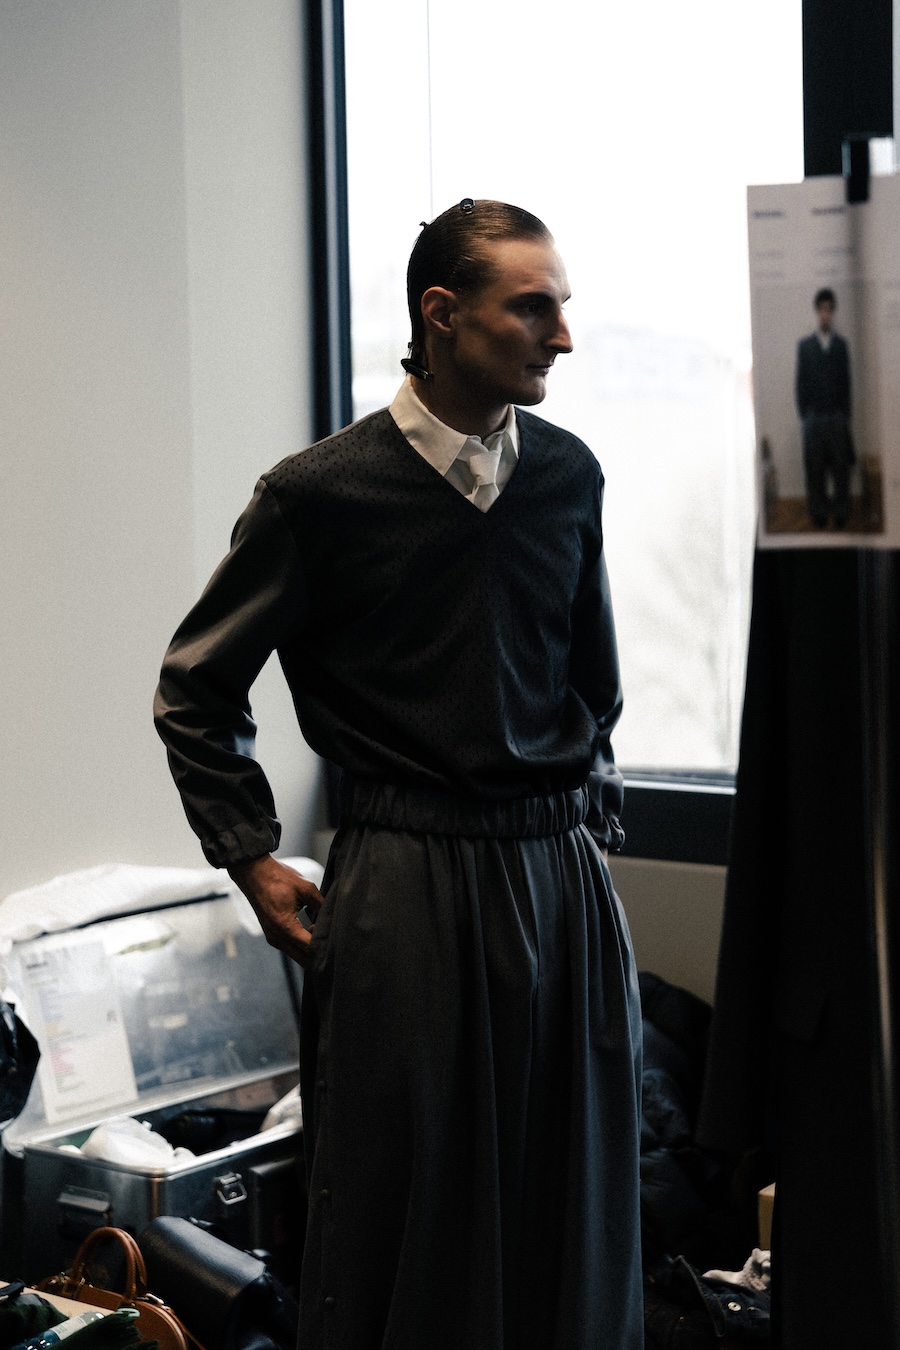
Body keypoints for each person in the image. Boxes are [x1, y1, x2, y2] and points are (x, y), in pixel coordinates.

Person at [154, 198, 643, 1350]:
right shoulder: (319, 496)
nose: (564, 335)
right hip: (406, 889)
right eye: (534, 307)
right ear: (443, 312)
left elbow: (594, 684)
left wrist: (582, 823)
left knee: (574, 1205)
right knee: (405, 1205)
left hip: (560, 884)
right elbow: (196, 688)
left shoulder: (569, 477)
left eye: (564, 306)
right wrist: (251, 858)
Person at [794, 287, 854, 528]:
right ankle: (818, 513)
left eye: (829, 310)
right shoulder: (805, 346)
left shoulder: (841, 346)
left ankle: (841, 513)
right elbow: (800, 383)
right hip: (814, 419)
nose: (825, 314)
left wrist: (845, 416)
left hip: (837, 418)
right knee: (815, 470)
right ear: (817, 312)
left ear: (833, 312)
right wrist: (805, 416)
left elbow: (847, 383)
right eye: (822, 310)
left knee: (841, 470)